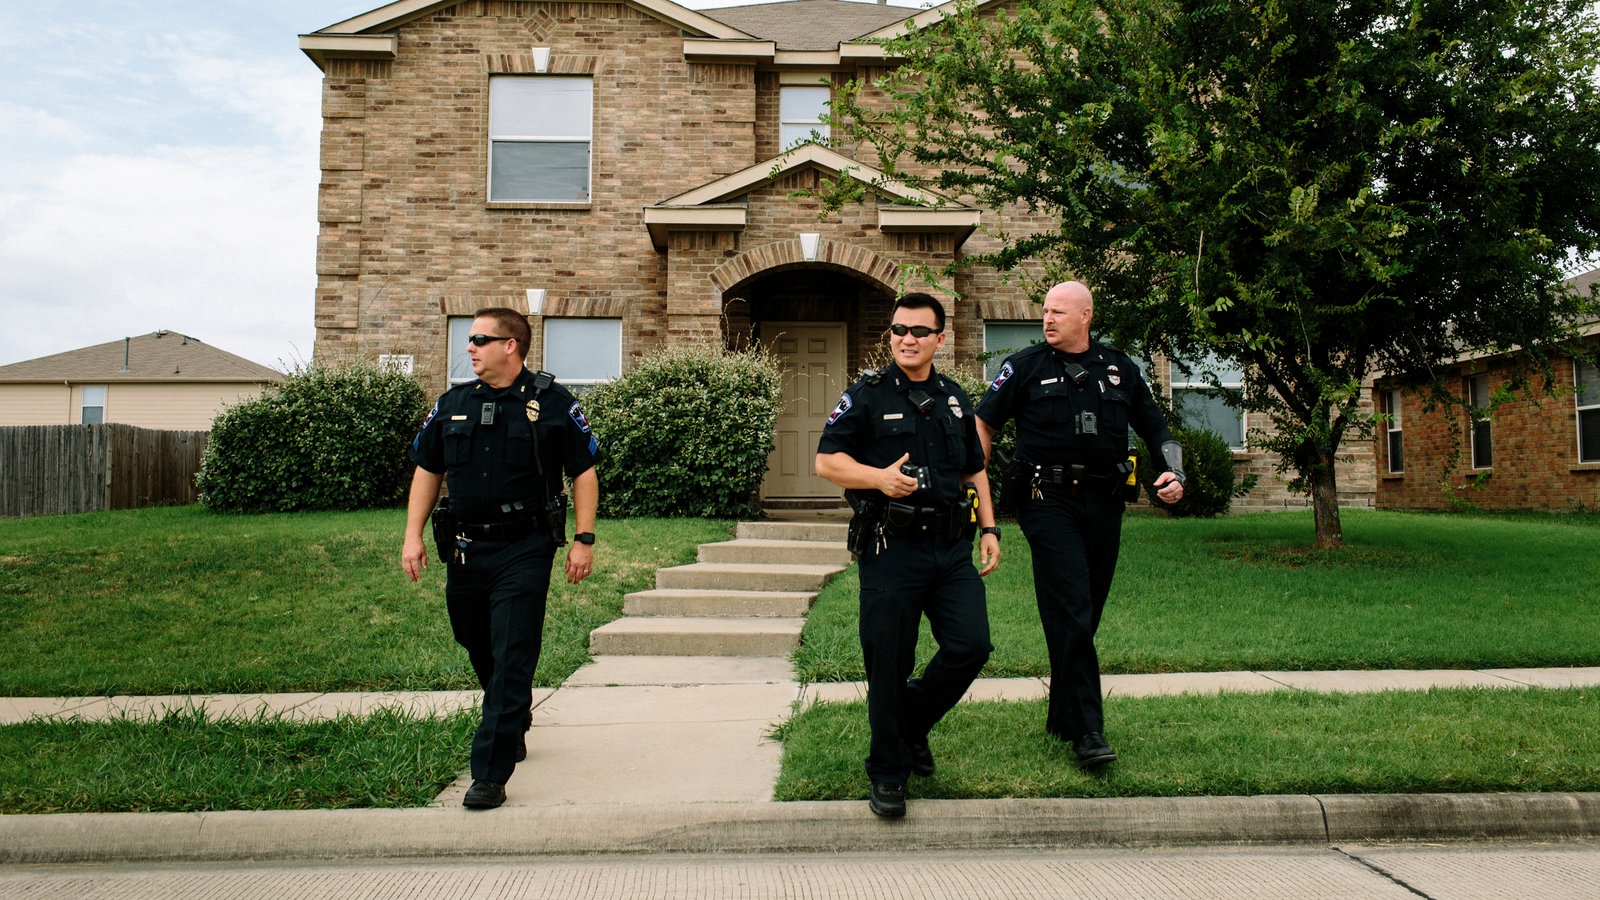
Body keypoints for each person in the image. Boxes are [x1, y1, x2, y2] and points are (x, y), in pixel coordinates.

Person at [974, 281, 1185, 769]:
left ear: (1086, 316)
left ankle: (1061, 714)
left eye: (1058, 312)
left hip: (1105, 501)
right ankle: (1088, 731)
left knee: (1084, 612)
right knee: (1073, 605)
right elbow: (983, 424)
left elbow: (1155, 426)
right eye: (1045, 311)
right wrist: (974, 484)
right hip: (1045, 501)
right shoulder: (1023, 367)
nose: (1047, 319)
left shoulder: (1119, 368)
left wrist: (1174, 471)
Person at [401, 307, 599, 810]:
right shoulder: (452, 403)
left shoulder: (552, 403)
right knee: (473, 636)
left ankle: (489, 773)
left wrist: (584, 538)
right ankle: (512, 712)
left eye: (479, 339)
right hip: (466, 546)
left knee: (513, 650)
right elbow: (428, 468)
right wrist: (412, 535)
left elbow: (583, 471)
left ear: (510, 345)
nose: (469, 347)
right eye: (469, 339)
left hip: (525, 546)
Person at [815, 292, 1001, 818]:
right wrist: (877, 479)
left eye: (920, 331)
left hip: (950, 547)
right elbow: (827, 462)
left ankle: (909, 723)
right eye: (899, 330)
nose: (907, 339)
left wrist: (989, 527)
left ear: (940, 338)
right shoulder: (867, 395)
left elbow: (974, 467)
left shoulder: (954, 399)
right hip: (890, 548)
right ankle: (888, 772)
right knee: (889, 663)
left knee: (971, 646)